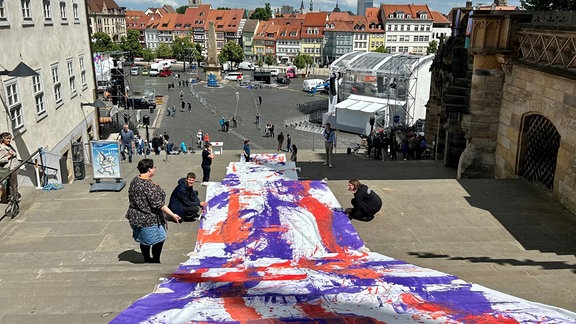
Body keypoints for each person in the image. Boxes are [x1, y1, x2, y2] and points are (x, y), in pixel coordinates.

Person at [126, 159, 181, 263]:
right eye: (154, 167)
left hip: (136, 216)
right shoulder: (148, 186)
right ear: (149, 169)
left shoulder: (135, 180)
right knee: (159, 239)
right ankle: (155, 260)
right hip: (149, 219)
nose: (155, 169)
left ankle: (147, 258)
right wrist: (172, 214)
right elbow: (159, 204)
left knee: (144, 240)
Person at [0, 132, 19, 200]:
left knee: (12, 183)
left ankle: (12, 197)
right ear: (3, 139)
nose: (9, 140)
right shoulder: (2, 148)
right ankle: (14, 198)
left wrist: (13, 154)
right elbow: (0, 160)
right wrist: (8, 157)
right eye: (7, 138)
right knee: (13, 184)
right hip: (10, 168)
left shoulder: (9, 146)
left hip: (14, 167)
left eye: (10, 138)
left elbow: (14, 153)